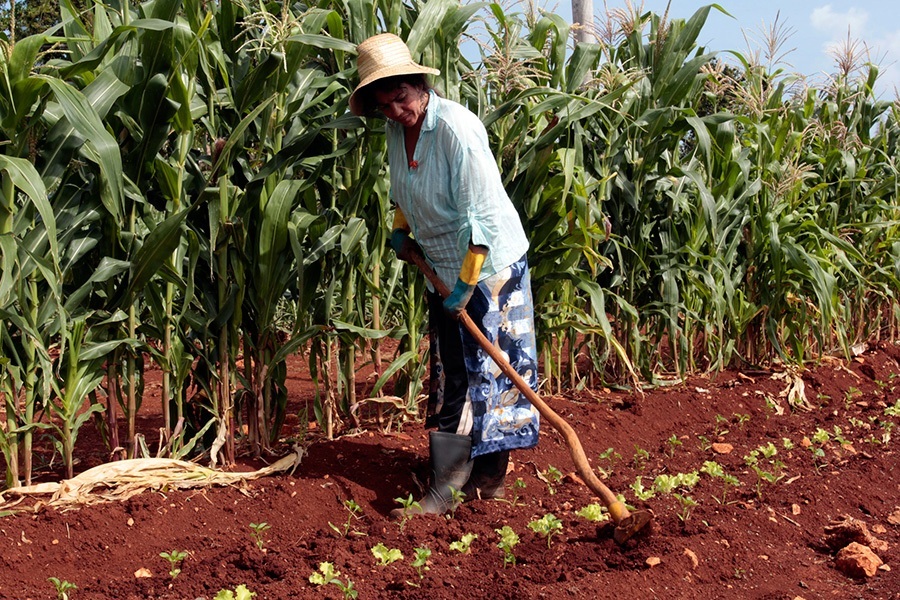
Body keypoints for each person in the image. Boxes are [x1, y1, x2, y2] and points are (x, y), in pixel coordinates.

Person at [350, 33, 540, 516]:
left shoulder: (456, 129)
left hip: (488, 267)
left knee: (490, 369)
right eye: (385, 104)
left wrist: (466, 285)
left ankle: (476, 481)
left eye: (402, 98)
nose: (396, 111)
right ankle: (454, 476)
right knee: (454, 368)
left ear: (419, 85)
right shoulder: (397, 131)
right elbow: (403, 190)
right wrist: (400, 228)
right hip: (440, 265)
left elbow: (479, 220)